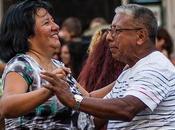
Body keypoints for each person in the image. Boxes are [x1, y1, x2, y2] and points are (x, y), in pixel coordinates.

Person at [41, 4, 175, 130]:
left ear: (140, 36)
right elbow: (96, 118)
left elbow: (127, 109)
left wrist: (73, 99)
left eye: (116, 31)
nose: (108, 37)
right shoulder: (130, 71)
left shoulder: (156, 66)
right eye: (111, 30)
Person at [0, 0, 81, 129]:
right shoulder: (21, 65)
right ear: (26, 34)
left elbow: (88, 98)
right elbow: (5, 106)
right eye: (46, 22)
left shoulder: (58, 65)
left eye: (53, 20)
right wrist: (49, 90)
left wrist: (122, 77)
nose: (56, 27)